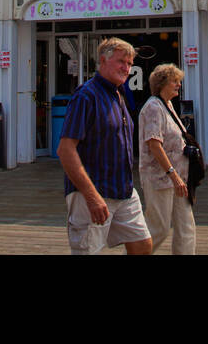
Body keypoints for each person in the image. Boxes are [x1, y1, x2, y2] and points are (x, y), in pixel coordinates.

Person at [57, 37, 153, 255]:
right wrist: (91, 197)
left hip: (124, 190)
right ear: (103, 60)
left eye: (129, 64)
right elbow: (65, 150)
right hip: (93, 191)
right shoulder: (86, 96)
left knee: (142, 244)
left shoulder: (118, 94)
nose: (126, 68)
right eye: (121, 61)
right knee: (88, 250)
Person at [138, 63, 196, 254]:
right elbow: (154, 145)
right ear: (162, 83)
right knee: (159, 229)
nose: (178, 85)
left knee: (186, 226)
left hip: (180, 178)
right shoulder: (153, 107)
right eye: (174, 81)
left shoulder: (168, 105)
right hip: (160, 179)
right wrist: (173, 174)